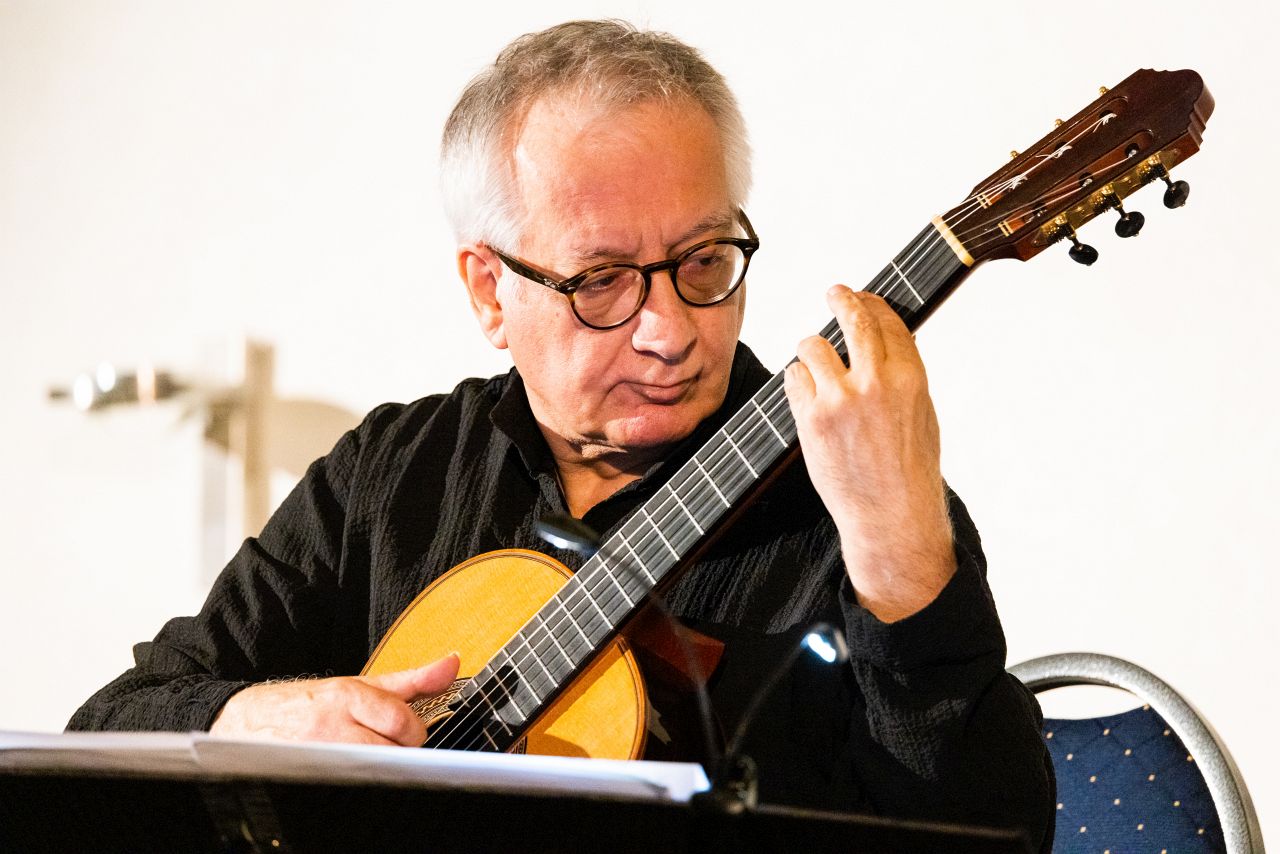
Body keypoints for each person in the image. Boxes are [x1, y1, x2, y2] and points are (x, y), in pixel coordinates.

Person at [69, 20, 1053, 849]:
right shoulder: (396, 472)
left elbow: (993, 830)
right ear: (488, 291)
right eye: (601, 281)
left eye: (704, 259)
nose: (670, 330)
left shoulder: (863, 498)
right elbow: (110, 727)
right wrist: (253, 717)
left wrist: (898, 547)